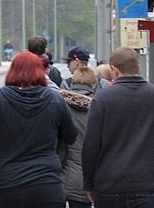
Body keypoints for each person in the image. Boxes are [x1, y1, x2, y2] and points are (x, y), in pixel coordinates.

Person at [0, 52, 77, 208]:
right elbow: (70, 136)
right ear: (40, 72)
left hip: (3, 184)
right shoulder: (54, 100)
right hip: (46, 183)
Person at [81, 47, 154, 208]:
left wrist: (89, 183)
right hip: (149, 185)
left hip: (109, 185)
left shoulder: (103, 99)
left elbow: (91, 145)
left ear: (114, 69)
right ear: (138, 67)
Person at [58, 65, 99, 208]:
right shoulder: (99, 108)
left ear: (72, 82)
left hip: (58, 176)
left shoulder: (58, 104)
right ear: (94, 85)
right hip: (85, 180)